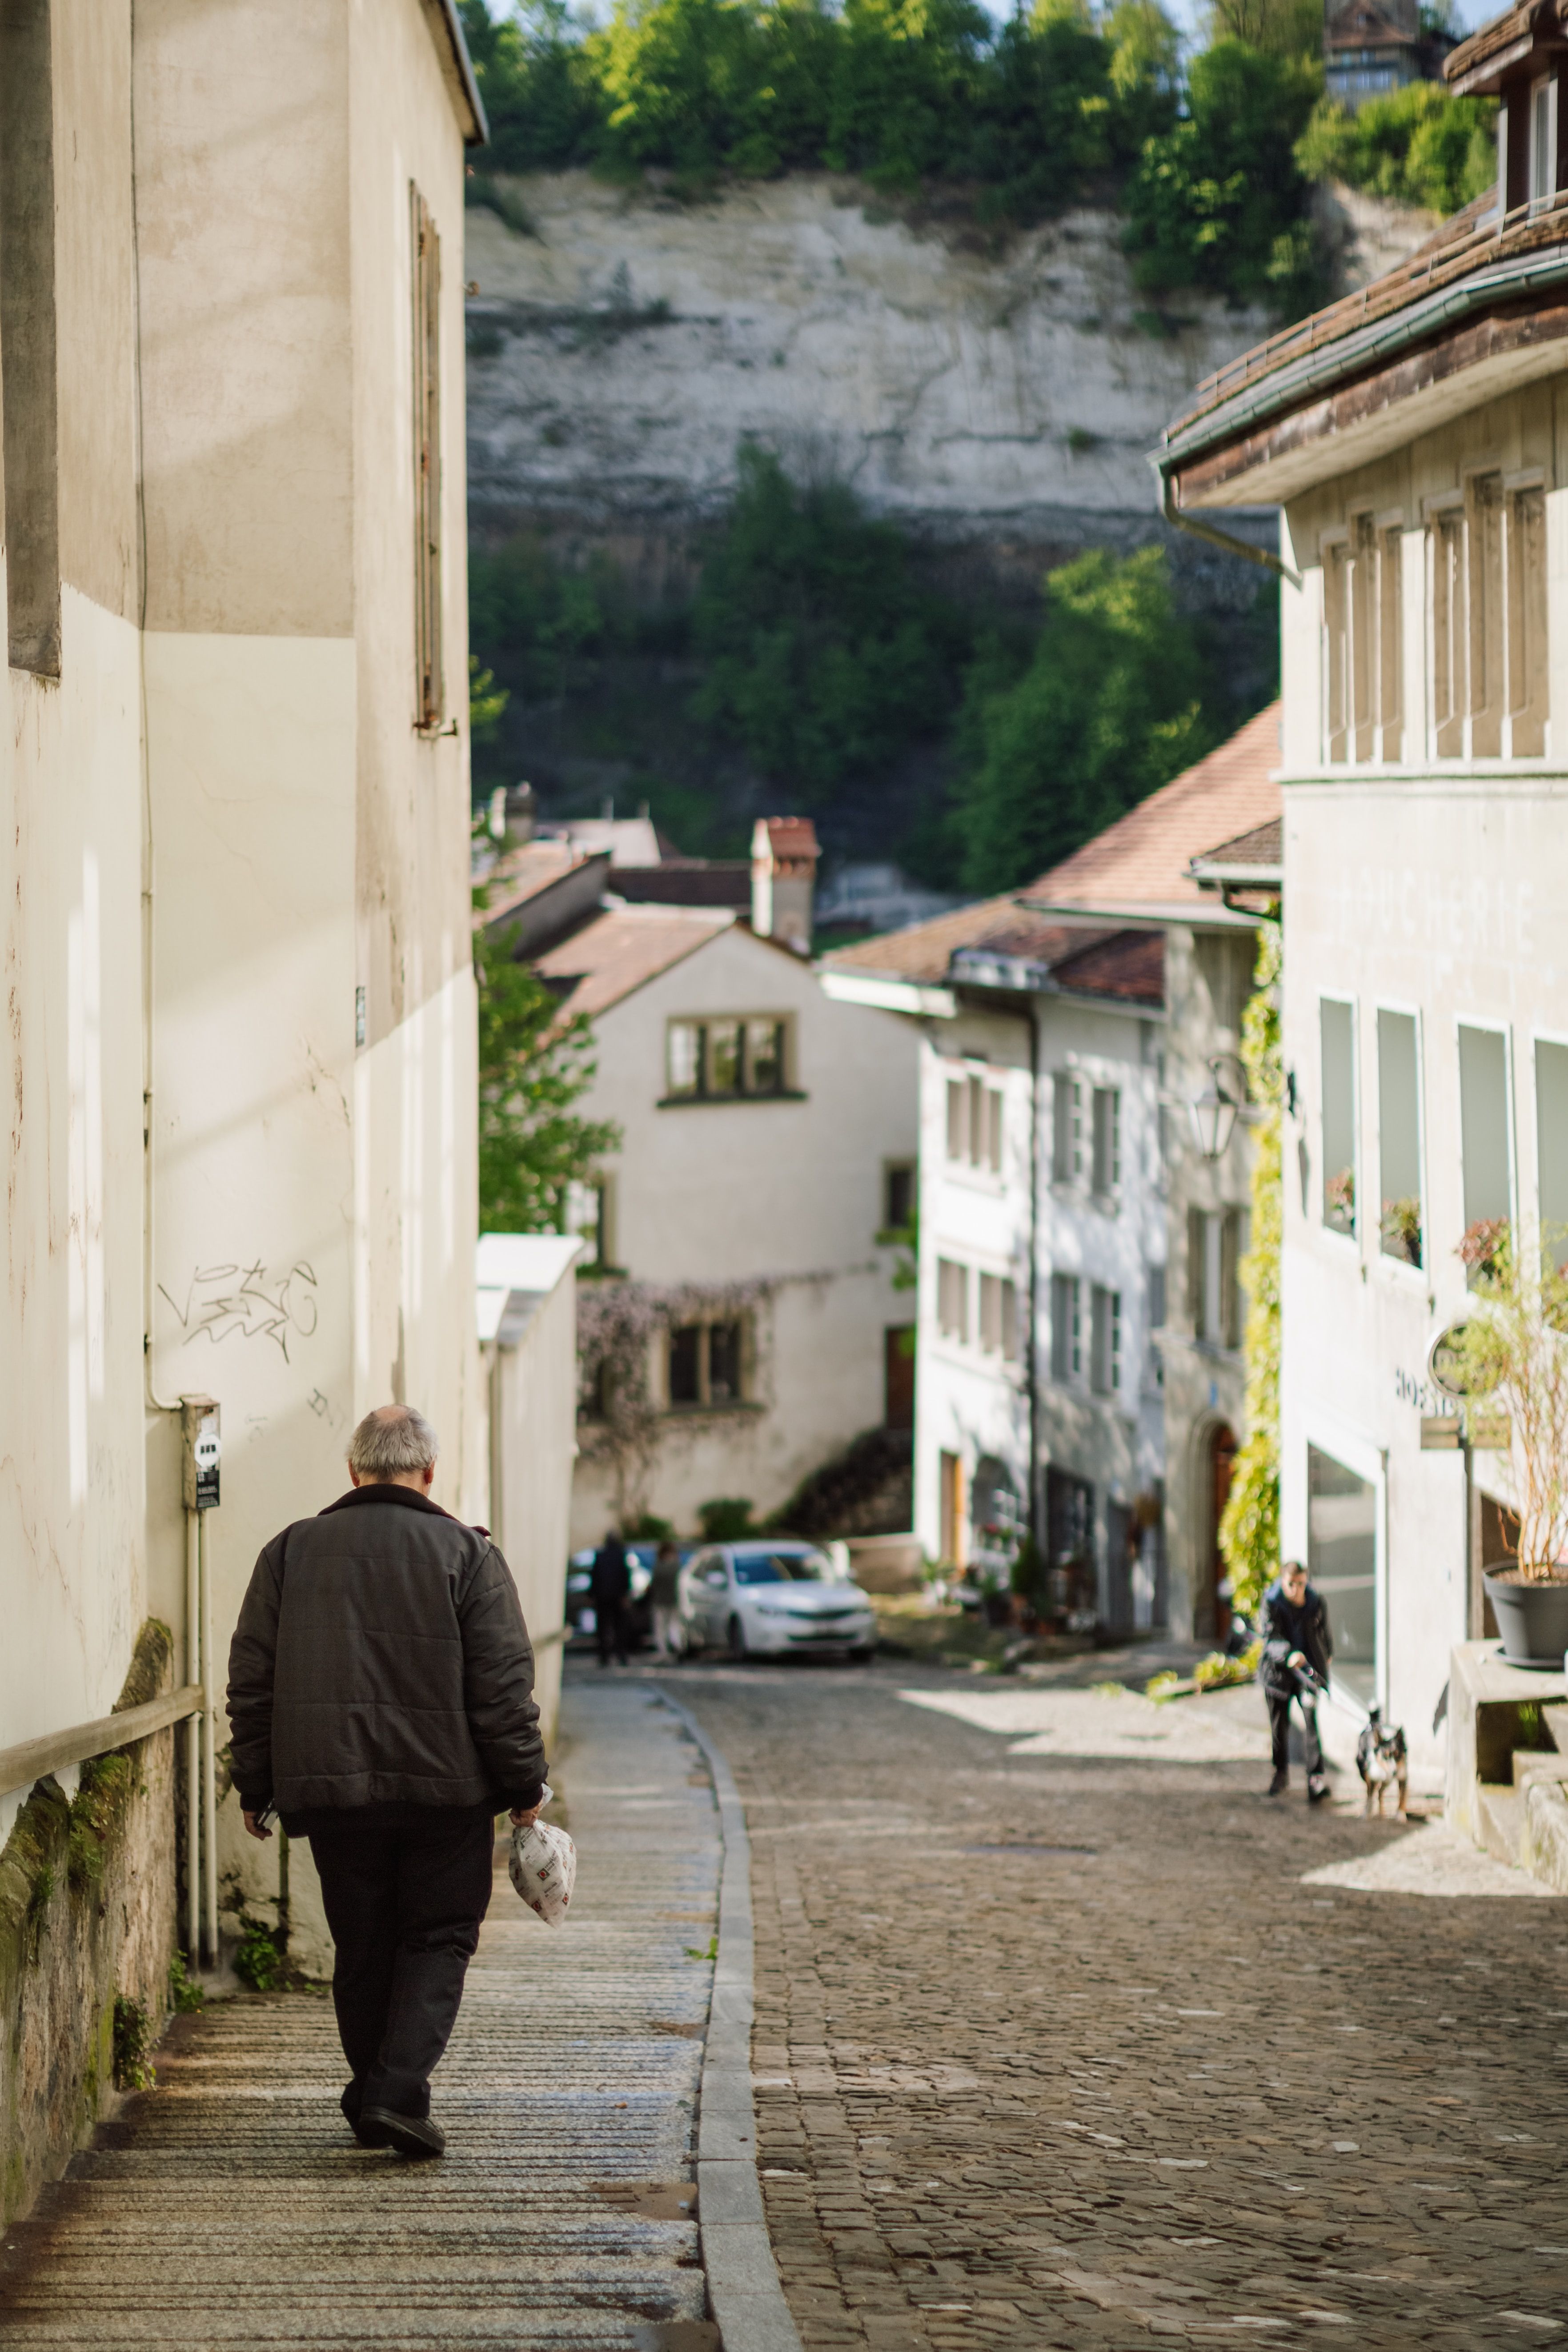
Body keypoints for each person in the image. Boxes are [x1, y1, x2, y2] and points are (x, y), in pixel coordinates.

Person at [226, 1403, 546, 2160]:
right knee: (438, 1936)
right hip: (448, 1795)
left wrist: (255, 1783)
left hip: (333, 1794)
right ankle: (394, 2093)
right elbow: (503, 1688)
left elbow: (253, 1677)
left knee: (364, 1943)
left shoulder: (289, 1553)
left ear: (353, 1470)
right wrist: (526, 1786)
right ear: (429, 1473)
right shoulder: (468, 1557)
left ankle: (374, 2089)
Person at [1260, 1556, 1332, 1803]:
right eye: (1292, 1584)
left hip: (1306, 1673)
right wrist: (1288, 1654)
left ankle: (1315, 1779)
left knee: (1311, 1722)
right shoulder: (1271, 1602)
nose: (1296, 1589)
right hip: (1278, 1674)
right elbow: (1270, 1638)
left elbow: (1324, 1632)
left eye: (1301, 1584)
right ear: (1283, 1581)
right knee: (1279, 1727)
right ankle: (1280, 1773)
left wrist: (1327, 1656)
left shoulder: (1315, 1601)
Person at [591, 1527, 631, 1667]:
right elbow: (625, 1577)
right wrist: (625, 1594)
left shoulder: (600, 1555)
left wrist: (592, 1595)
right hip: (617, 1597)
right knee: (619, 1627)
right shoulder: (621, 1555)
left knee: (603, 1627)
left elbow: (595, 1577)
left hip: (603, 1597)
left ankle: (604, 1656)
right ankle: (621, 1654)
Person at [649, 1537, 682, 1660]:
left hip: (659, 1601)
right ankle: (677, 1645)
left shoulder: (658, 1567)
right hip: (674, 1600)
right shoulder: (677, 1566)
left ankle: (663, 1652)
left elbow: (653, 1584)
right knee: (673, 1625)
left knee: (660, 1628)